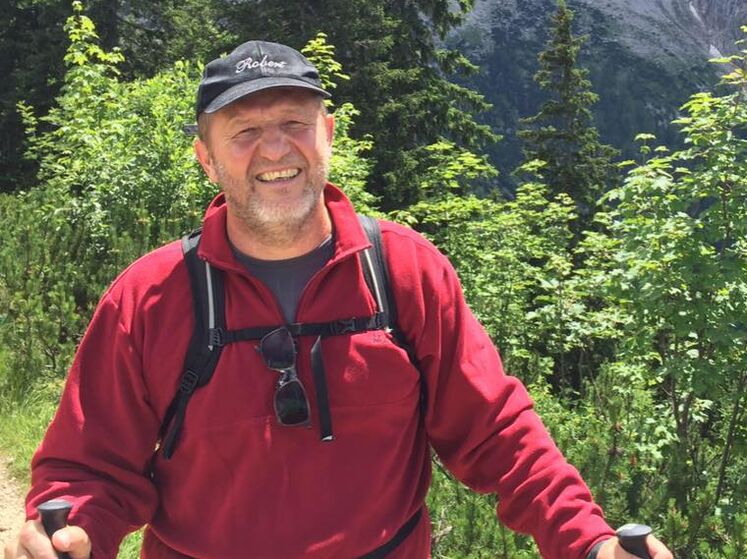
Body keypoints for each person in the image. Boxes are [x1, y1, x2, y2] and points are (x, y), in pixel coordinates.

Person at [4, 40, 674, 559]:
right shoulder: (149, 296)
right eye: (243, 131)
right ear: (206, 158)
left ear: (328, 133)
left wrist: (587, 539)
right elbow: (88, 465)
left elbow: (495, 431)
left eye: (294, 122)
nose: (275, 148)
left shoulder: (405, 271)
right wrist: (68, 530)